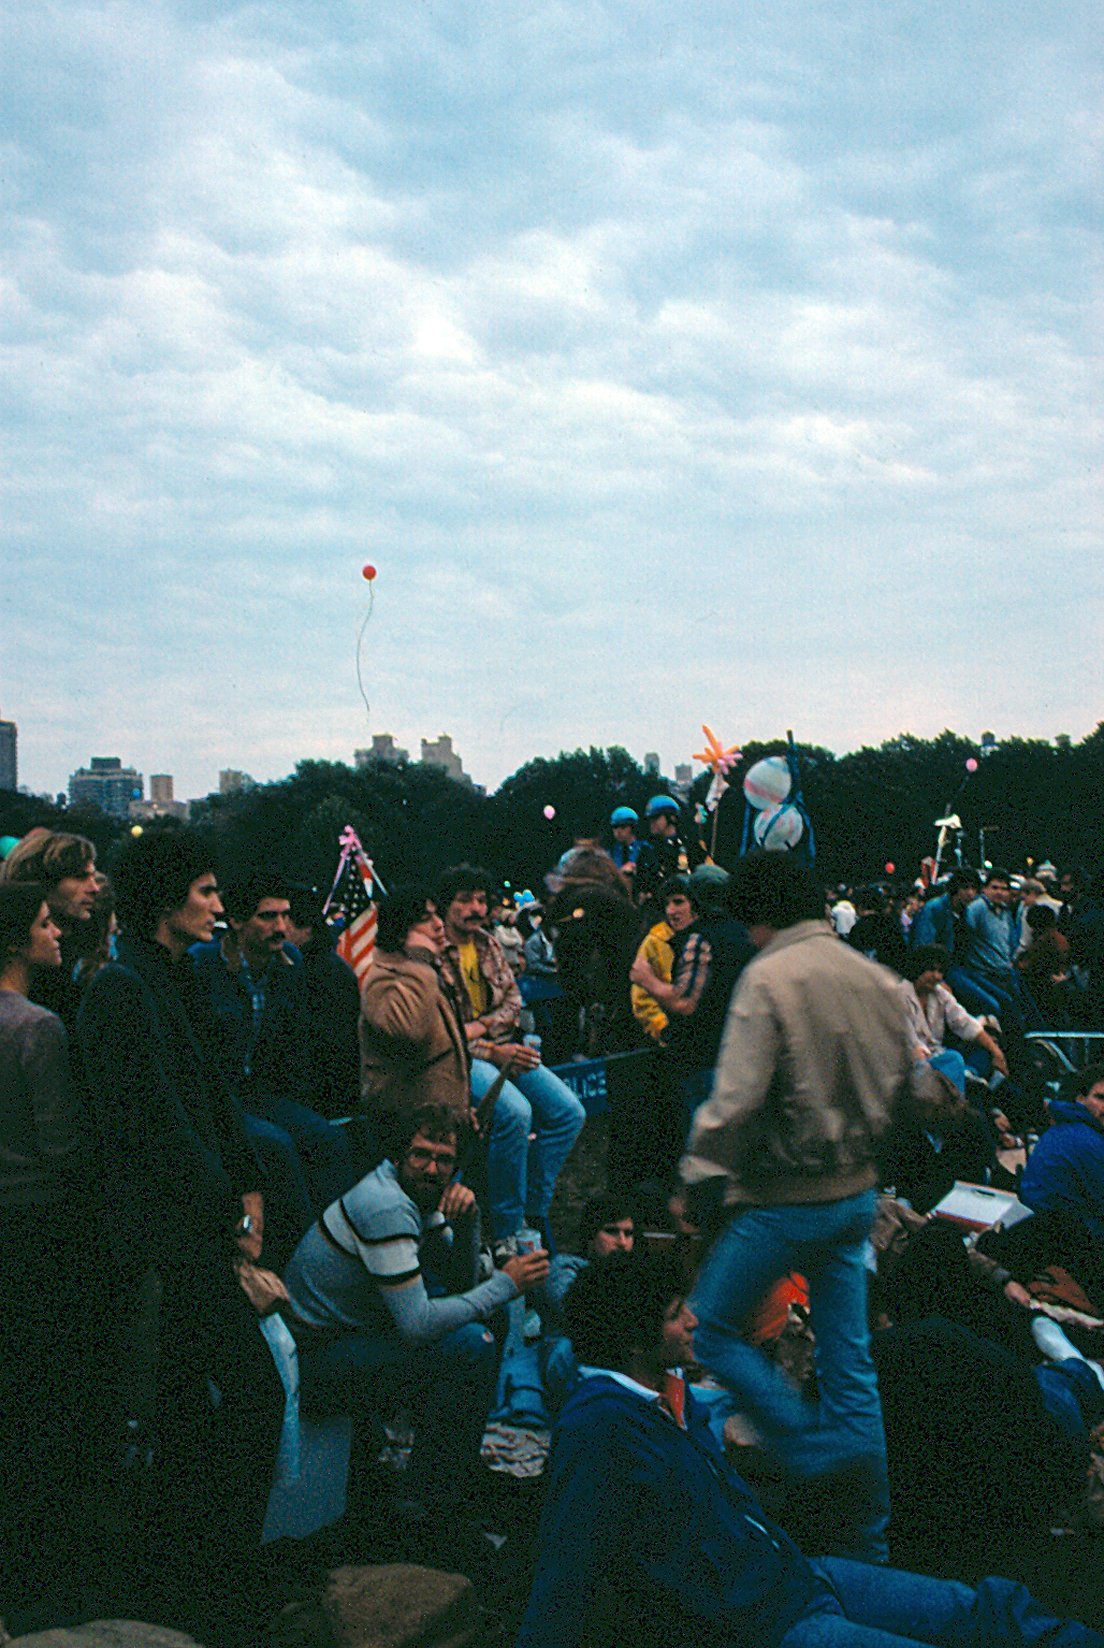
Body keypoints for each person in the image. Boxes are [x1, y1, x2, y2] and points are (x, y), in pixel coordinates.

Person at [517, 1251, 1104, 1648]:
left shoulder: (669, 1400)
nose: (693, 1321)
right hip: (767, 1623)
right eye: (677, 1315)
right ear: (634, 1339)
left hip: (799, 1575)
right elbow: (566, 1568)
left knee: (978, 1607)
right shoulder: (600, 1430)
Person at [76, 829, 285, 1646]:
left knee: (197, 1413)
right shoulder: (124, 989)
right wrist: (228, 1209)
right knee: (243, 1398)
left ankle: (196, 1582)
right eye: (205, 890)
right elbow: (157, 1123)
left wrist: (250, 1185)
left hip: (199, 1225)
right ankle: (214, 1582)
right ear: (168, 896)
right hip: (168, 1240)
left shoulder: (172, 978)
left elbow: (214, 1098)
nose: (219, 905)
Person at [679, 850, 913, 1563]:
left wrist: (696, 1176)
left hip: (785, 1197)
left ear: (759, 915)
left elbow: (737, 1099)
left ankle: (807, 1454)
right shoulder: (873, 974)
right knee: (852, 1371)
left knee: (709, 1331)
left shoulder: (767, 977)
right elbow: (918, 1076)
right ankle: (867, 1543)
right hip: (856, 1195)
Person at [283, 1103, 549, 1527]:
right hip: (316, 1359)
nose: (431, 1168)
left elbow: (460, 1285)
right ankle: (431, 1507)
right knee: (469, 1345)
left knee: (489, 1321)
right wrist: (507, 1284)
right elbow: (417, 1325)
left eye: (444, 1160)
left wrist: (468, 1224)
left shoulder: (421, 1197)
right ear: (398, 1156)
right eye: (420, 1154)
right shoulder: (385, 1204)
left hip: (358, 1334)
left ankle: (449, 1473)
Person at [0, 883, 104, 1633]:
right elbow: (64, 1145)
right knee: (47, 1403)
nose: (57, 934)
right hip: (38, 1226)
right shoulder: (37, 1028)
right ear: (16, 941)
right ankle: (44, 1578)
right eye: (44, 924)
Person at [190, 869, 356, 1223]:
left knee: (328, 1140)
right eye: (268, 916)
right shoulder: (203, 965)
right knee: (276, 1147)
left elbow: (295, 1048)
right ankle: (295, 1243)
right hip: (218, 1098)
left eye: (285, 915)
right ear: (236, 921)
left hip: (263, 1094)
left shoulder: (290, 965)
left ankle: (335, 1239)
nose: (281, 927)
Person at [437, 864, 585, 1248]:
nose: (476, 908)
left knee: (569, 1112)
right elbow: (444, 1034)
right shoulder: (434, 955)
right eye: (465, 900)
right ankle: (508, 1225)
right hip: (464, 1059)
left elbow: (513, 999)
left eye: (482, 900)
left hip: (501, 1046)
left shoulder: (488, 944)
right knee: (515, 1112)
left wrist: (482, 1028)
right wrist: (490, 1046)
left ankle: (534, 1205)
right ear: (446, 906)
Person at [358, 883, 471, 1123]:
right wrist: (419, 961)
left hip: (442, 1116)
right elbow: (406, 1029)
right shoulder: (382, 978)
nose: (439, 924)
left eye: (437, 915)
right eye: (425, 919)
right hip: (409, 1123)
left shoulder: (428, 970)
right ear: (401, 931)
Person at [0, 826, 100, 1029]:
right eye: (80, 877)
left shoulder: (79, 947)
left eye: (93, 876)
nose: (94, 888)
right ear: (44, 882)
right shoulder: (33, 967)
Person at [285, 883, 362, 1120]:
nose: (277, 929)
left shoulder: (325, 975)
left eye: (282, 921)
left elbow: (325, 1051)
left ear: (305, 929)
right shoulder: (314, 966)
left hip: (324, 1102)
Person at [607, 805, 641, 881]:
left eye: (623, 826)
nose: (618, 831)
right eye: (615, 827)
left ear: (633, 827)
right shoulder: (610, 853)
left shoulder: (645, 849)